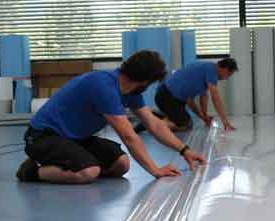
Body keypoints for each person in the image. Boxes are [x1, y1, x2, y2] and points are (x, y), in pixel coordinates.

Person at [16, 50, 206, 184]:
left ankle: (69, 164)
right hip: (43, 137)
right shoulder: (104, 86)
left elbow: (153, 124)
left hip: (75, 138)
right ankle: (33, 171)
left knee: (121, 165)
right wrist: (155, 170)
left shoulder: (130, 91)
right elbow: (128, 136)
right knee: (88, 172)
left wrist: (184, 150)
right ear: (145, 81)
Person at [153, 57, 238, 133]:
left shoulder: (205, 69)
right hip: (167, 97)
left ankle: (152, 116)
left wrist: (204, 117)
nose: (226, 78)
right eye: (229, 74)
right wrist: (225, 123)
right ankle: (151, 123)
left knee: (183, 121)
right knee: (186, 125)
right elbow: (216, 98)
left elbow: (193, 101)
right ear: (225, 69)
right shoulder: (212, 70)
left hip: (166, 97)